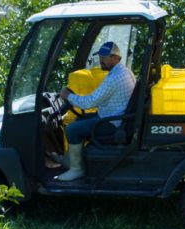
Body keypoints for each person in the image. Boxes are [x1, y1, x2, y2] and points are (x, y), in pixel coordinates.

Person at [56, 41, 136, 181]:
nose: (101, 60)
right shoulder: (125, 71)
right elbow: (98, 99)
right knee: (79, 119)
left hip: (112, 123)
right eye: (100, 56)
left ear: (115, 58)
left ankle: (77, 169)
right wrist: (74, 98)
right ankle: (70, 161)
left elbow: (89, 103)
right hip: (116, 116)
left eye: (105, 57)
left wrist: (68, 96)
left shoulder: (114, 78)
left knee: (72, 130)